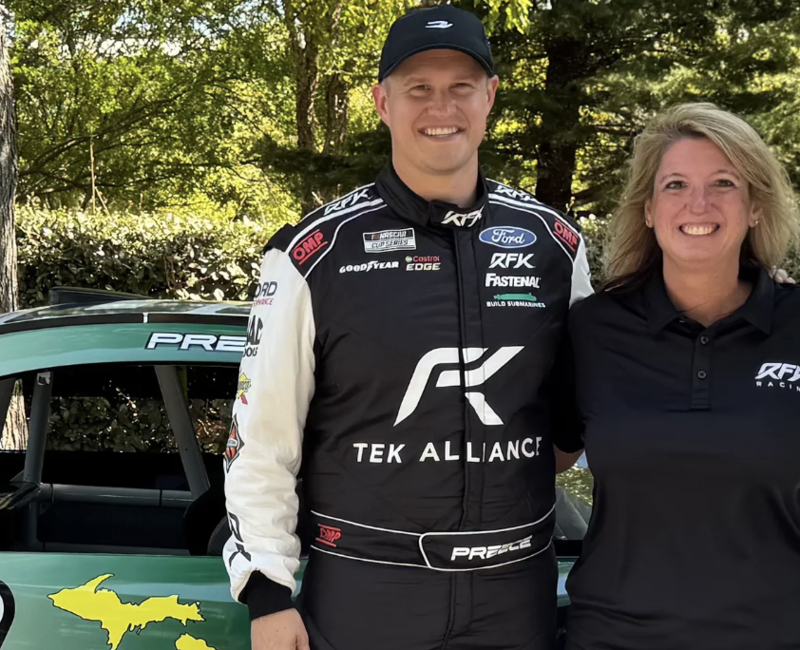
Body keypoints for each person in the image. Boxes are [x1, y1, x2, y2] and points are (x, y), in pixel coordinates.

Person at [221, 4, 592, 650]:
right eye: (418, 88)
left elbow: (577, 425)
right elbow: (259, 442)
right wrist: (267, 596)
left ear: (491, 99)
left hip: (515, 598)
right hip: (367, 593)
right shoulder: (312, 254)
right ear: (382, 102)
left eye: (460, 88)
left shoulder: (555, 246)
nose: (440, 107)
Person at [561, 102, 800, 650]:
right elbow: (537, 458)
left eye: (723, 182)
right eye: (675, 185)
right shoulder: (592, 329)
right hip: (614, 636)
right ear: (647, 209)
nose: (698, 203)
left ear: (756, 207)